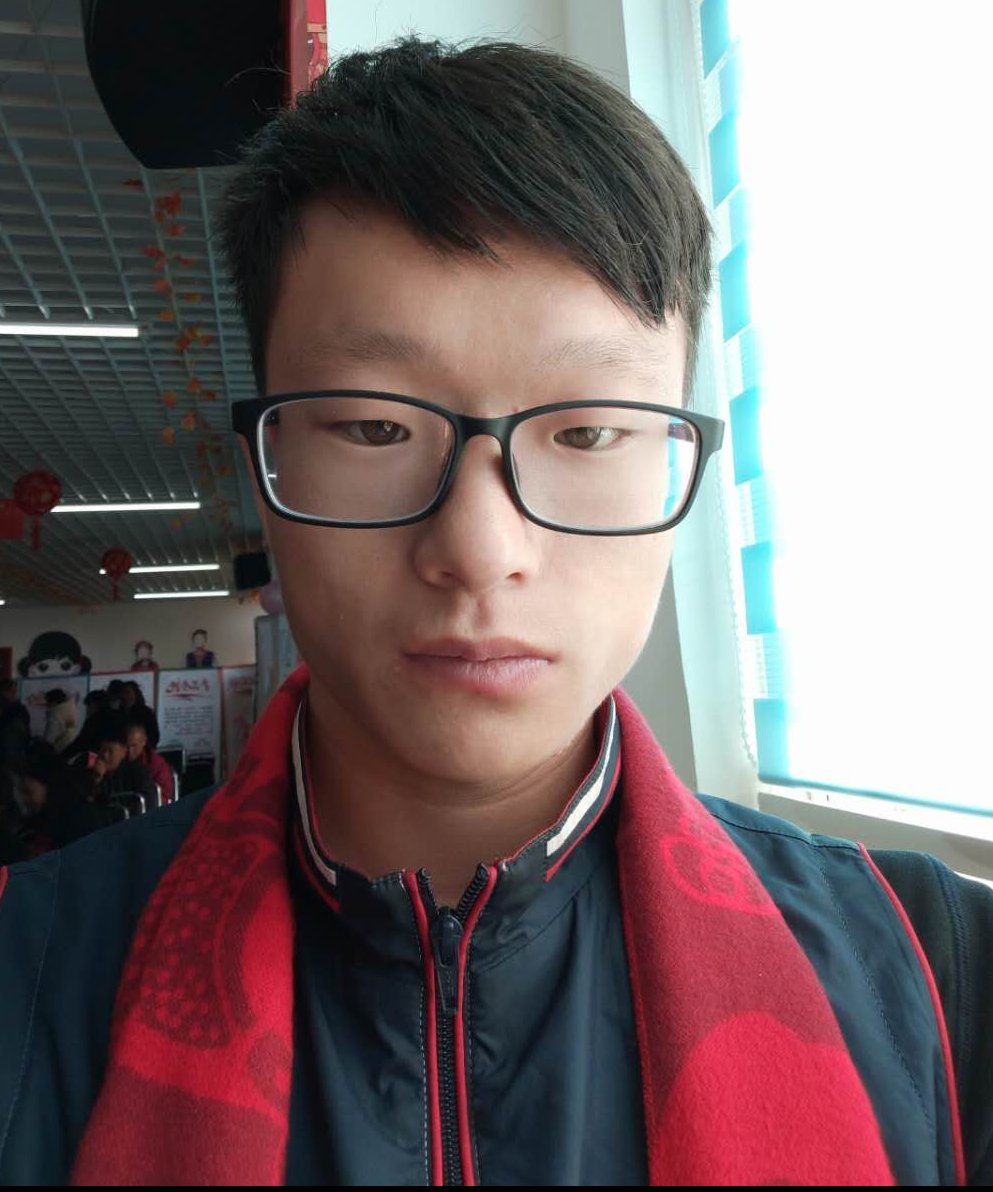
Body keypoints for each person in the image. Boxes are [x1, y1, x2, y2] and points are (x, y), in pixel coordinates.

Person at [0, 37, 990, 1188]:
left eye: (589, 430)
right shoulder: (34, 975)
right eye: (374, 426)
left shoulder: (932, 977)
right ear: (265, 468)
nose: (480, 550)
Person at [92, 728, 159, 811]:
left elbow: (149, 803)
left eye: (110, 751)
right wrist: (96, 779)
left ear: (123, 751)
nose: (105, 755)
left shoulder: (138, 773)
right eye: (102, 751)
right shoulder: (94, 774)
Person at [125, 723, 175, 805]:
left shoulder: (157, 764)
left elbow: (164, 795)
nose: (130, 750)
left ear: (144, 742)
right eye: (126, 746)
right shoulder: (117, 760)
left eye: (134, 746)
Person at [0, 678, 29, 778]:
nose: (15, 694)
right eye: (13, 691)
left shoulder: (16, 708)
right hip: (13, 754)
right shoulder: (18, 709)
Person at [121, 681, 160, 750]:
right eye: (123, 693)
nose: (125, 696)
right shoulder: (118, 712)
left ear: (135, 694)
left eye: (128, 692)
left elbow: (154, 735)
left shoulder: (146, 712)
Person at [42, 688, 78, 755]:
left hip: (60, 750)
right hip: (71, 747)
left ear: (53, 702)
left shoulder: (55, 714)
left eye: (48, 702)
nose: (47, 705)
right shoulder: (70, 710)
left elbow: (49, 738)